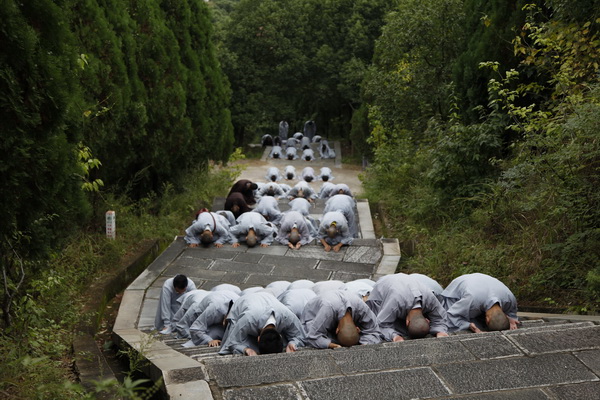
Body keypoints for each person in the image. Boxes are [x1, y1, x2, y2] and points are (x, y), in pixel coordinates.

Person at [218, 291, 306, 356]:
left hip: (268, 298)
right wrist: (246, 349)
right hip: (245, 301)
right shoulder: (247, 319)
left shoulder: (287, 316)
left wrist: (293, 343)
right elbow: (232, 342)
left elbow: (300, 335)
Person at [366, 273, 449, 341]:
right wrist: (395, 337)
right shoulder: (395, 302)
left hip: (406, 282)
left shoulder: (429, 297)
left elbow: (440, 317)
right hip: (383, 286)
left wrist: (440, 331)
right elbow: (381, 324)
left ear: (427, 320)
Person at [301, 290, 382, 349]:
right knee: (310, 336)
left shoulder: (361, 306)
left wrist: (365, 343)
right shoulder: (326, 312)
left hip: (338, 300)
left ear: (358, 329)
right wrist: (330, 345)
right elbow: (312, 336)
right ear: (336, 330)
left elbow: (374, 330)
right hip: (313, 312)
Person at [441, 273, 519, 333]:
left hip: (482, 283)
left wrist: (512, 319)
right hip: (458, 288)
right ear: (487, 320)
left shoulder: (509, 298)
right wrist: (467, 325)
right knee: (450, 325)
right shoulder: (471, 300)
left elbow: (511, 314)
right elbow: (451, 315)